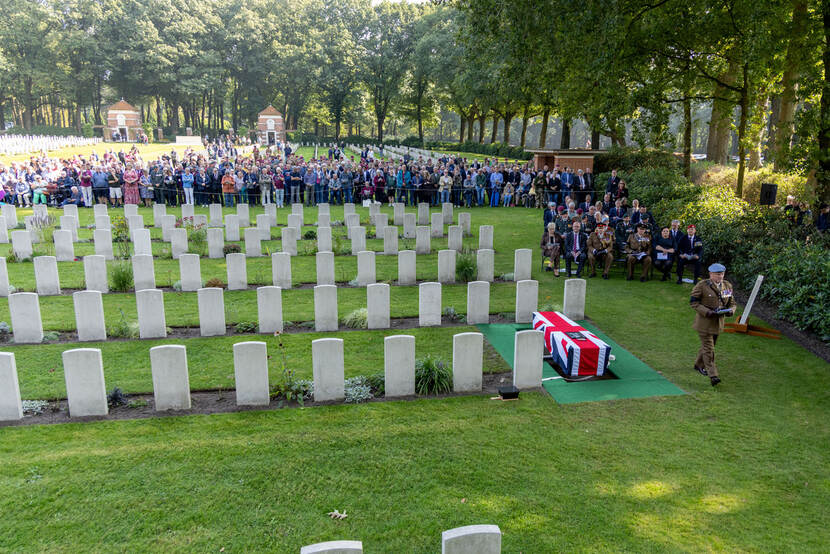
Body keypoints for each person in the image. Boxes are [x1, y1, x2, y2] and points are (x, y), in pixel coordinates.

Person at [690, 263, 736, 386]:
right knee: (709, 349)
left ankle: (698, 365)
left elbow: (732, 303)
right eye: (717, 274)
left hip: (718, 324)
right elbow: (694, 303)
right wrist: (707, 312)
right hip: (704, 323)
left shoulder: (727, 286)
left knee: (708, 347)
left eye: (721, 274)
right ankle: (713, 375)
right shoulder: (702, 285)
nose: (719, 276)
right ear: (710, 274)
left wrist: (731, 311)